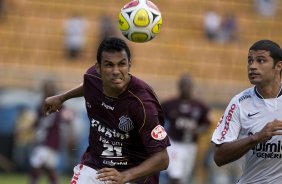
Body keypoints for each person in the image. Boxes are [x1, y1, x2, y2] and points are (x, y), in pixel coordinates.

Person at [43, 37, 170, 184]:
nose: (116, 71)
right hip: (95, 166)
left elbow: (162, 159)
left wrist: (124, 176)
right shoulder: (91, 77)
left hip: (133, 176)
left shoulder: (143, 104)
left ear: (129, 65)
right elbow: (89, 85)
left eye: (122, 64)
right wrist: (62, 97)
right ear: (98, 68)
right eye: (109, 65)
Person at [211, 39, 282, 184]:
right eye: (250, 61)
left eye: (260, 61)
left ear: (278, 66)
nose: (252, 67)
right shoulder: (239, 102)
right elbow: (219, 157)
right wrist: (256, 138)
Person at [161, 74, 212, 184]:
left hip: (191, 145)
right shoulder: (169, 104)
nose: (185, 88)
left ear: (192, 86)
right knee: (175, 176)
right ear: (179, 86)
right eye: (183, 85)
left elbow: (207, 125)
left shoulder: (200, 106)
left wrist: (198, 130)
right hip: (174, 144)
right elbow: (157, 120)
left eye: (188, 85)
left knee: (184, 178)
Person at [29, 79, 74, 184]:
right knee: (49, 167)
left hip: (53, 140)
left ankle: (34, 181)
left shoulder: (61, 106)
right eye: (46, 88)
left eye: (50, 88)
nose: (48, 90)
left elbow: (69, 120)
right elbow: (37, 123)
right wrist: (25, 130)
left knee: (37, 163)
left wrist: (71, 136)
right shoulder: (40, 105)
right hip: (42, 139)